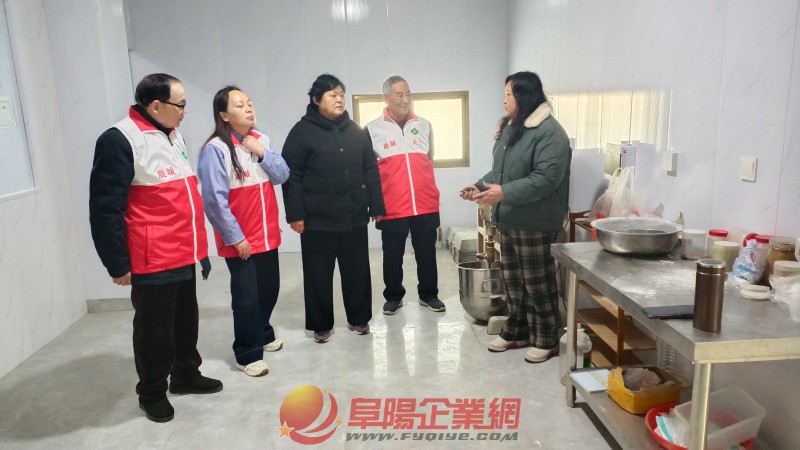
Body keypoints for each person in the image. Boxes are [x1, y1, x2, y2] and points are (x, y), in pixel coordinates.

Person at [89, 73, 222, 423]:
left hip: (183, 250)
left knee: (185, 321)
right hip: (152, 257)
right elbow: (105, 208)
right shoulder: (120, 139)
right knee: (155, 330)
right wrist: (117, 263)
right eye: (181, 104)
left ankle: (185, 374)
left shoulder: (171, 133)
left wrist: (199, 250)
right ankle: (151, 392)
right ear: (156, 106)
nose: (185, 111)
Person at [460, 71, 571, 364]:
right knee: (513, 280)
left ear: (524, 96)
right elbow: (501, 172)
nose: (504, 100)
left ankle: (546, 337)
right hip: (510, 217)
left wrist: (504, 192)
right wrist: (480, 187)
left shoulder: (550, 133)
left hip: (536, 221)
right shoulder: (514, 128)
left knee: (537, 282)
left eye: (508, 94)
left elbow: (545, 179)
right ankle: (517, 330)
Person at [282, 74, 385, 343]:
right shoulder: (301, 132)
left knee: (357, 271)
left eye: (341, 95)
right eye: (332, 95)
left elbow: (370, 168)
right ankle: (320, 324)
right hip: (317, 219)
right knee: (318, 274)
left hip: (353, 215)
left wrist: (376, 204)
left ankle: (359, 318)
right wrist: (295, 214)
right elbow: (292, 176)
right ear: (316, 100)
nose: (339, 100)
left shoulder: (356, 131)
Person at [197, 86, 289, 377]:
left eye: (249, 103)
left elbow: (282, 174)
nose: (249, 108)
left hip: (267, 234)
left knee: (269, 289)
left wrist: (261, 152)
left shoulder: (261, 140)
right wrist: (235, 237)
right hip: (241, 240)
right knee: (247, 296)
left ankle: (262, 331)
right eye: (239, 105)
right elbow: (214, 200)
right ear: (224, 115)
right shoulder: (216, 149)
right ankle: (247, 353)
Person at [365, 75, 444, 315]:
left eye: (408, 94)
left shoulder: (424, 125)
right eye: (399, 95)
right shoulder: (372, 129)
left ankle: (429, 294)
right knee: (392, 256)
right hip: (392, 205)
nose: (405, 99)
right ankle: (393, 297)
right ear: (386, 98)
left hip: (424, 203)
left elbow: (429, 160)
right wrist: (374, 204)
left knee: (427, 253)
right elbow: (368, 172)